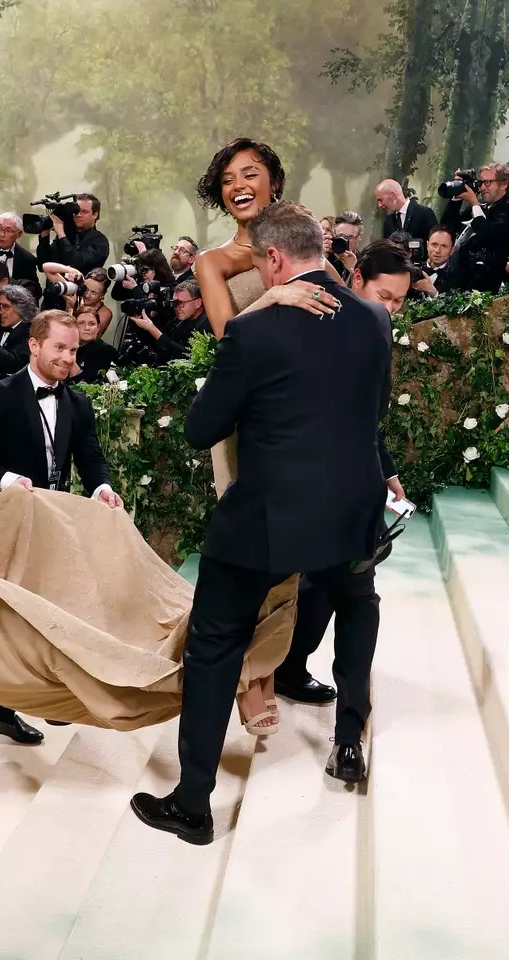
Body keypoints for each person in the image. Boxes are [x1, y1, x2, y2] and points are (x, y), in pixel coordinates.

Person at [130, 202, 392, 844]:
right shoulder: (373, 319)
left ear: (274, 259)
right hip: (355, 509)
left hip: (268, 518)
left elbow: (201, 428)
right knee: (357, 607)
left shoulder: (254, 331)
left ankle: (193, 804)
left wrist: (252, 316)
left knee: (216, 641)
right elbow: (371, 410)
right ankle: (349, 743)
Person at [190, 138, 338, 733]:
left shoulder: (306, 245)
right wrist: (273, 294)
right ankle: (253, 681)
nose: (239, 184)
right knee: (253, 552)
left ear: (274, 180)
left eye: (250, 173)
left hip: (303, 420)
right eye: (228, 178)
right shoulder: (213, 262)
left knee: (295, 554)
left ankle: (274, 664)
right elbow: (230, 340)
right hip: (242, 423)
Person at [0, 308, 124, 743]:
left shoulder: (78, 401)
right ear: (34, 345)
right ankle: (0, 709)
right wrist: (9, 482)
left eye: (72, 350)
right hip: (4, 525)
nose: (67, 357)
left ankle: (50, 696)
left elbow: (89, 456)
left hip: (54, 524)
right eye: (59, 347)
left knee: (56, 612)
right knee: (10, 622)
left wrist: (102, 488)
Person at [274, 239, 410, 713]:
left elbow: (366, 416)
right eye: (384, 296)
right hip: (304, 479)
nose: (391, 309)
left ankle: (307, 684)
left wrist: (385, 470)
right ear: (356, 281)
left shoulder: (375, 329)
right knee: (330, 585)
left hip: (355, 483)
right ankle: (286, 671)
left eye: (399, 300)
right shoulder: (312, 318)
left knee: (342, 587)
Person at [439, 162, 509, 291]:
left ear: (504, 184)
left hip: (484, 284)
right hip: (456, 277)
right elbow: (446, 227)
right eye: (481, 183)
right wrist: (456, 197)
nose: (483, 188)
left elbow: (488, 235)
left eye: (488, 183)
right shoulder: (480, 205)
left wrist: (474, 203)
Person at [377, 179, 439, 245]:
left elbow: (435, 243)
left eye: (381, 200)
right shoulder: (388, 219)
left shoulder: (425, 213)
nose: (379, 205)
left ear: (393, 195)